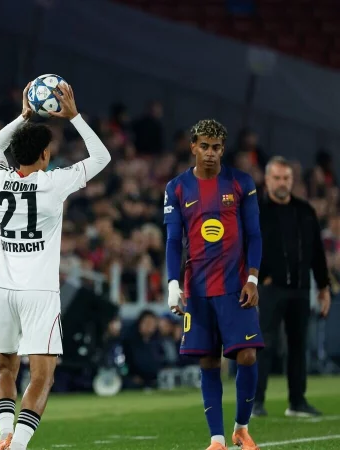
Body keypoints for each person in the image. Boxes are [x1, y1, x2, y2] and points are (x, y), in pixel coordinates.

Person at [0, 82, 111, 450]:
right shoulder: (54, 183)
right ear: (45, 154)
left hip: (2, 289)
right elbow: (101, 157)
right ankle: (18, 446)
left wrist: (22, 116)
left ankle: (4, 436)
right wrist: (75, 117)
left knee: (6, 368)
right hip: (38, 292)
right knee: (42, 376)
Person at [164, 119, 263, 450]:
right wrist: (173, 284)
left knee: (246, 355)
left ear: (223, 150)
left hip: (236, 287)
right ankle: (217, 440)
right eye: (204, 146)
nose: (210, 153)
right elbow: (173, 240)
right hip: (199, 289)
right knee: (208, 361)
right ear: (193, 146)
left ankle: (242, 428)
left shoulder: (241, 182)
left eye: (216, 147)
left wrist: (252, 278)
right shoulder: (177, 188)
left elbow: (254, 235)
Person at [253, 157, 331, 418]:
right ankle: (255, 402)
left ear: (292, 180)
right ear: (267, 180)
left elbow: (317, 251)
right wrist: (259, 277)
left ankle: (297, 401)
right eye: (277, 178)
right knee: (264, 344)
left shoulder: (305, 210)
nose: (282, 183)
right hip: (270, 289)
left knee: (298, 346)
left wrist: (323, 286)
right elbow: (243, 248)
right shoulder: (256, 211)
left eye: (286, 178)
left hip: (300, 289)